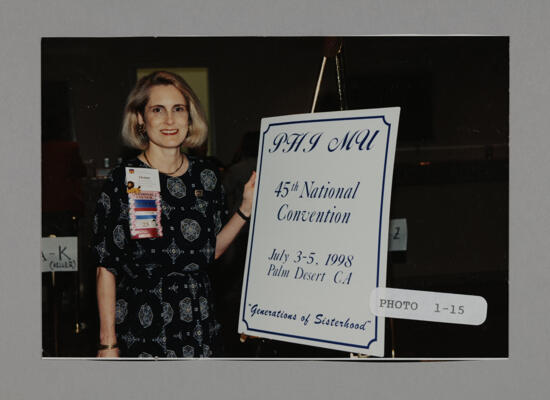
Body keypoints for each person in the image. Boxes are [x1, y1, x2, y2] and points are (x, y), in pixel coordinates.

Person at [92, 71, 255, 358]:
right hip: (143, 331)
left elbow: (209, 250)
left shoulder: (206, 176)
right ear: (141, 119)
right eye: (158, 110)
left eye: (178, 109)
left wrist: (244, 210)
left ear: (189, 117)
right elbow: (107, 266)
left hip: (201, 327)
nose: (169, 120)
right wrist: (108, 343)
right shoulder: (126, 179)